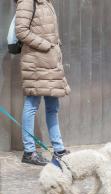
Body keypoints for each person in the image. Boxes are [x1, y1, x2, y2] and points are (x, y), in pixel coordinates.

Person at [16, 0, 70, 166]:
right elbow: (21, 31)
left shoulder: (46, 2)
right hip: (36, 61)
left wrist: (55, 45)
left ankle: (58, 148)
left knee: (53, 106)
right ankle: (29, 151)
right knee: (32, 103)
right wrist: (47, 45)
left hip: (50, 61)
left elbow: (49, 31)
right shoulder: (27, 2)